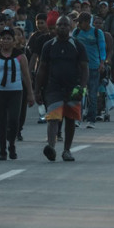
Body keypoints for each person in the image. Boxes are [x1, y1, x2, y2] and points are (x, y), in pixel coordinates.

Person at [35, 16, 88, 162]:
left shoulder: (77, 45)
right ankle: (51, 147)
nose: (62, 27)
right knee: (53, 117)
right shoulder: (49, 46)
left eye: (65, 24)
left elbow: (84, 68)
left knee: (70, 119)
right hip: (53, 88)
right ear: (55, 27)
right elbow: (42, 69)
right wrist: (36, 90)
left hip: (73, 89)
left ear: (70, 27)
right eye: (60, 25)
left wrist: (82, 87)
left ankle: (67, 150)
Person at [0, 27, 33, 160]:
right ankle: (2, 150)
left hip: (15, 91)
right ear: (0, 41)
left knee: (14, 119)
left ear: (14, 41)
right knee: (2, 121)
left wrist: (30, 93)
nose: (6, 41)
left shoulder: (20, 56)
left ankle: (12, 143)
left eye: (9, 38)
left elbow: (26, 76)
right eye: (3, 38)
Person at [71, 13, 106, 128]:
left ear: (86, 22)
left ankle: (91, 120)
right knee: (78, 93)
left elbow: (102, 48)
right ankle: (77, 118)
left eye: (80, 22)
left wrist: (102, 63)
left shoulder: (97, 33)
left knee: (92, 94)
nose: (78, 24)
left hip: (93, 68)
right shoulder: (76, 32)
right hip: (79, 68)